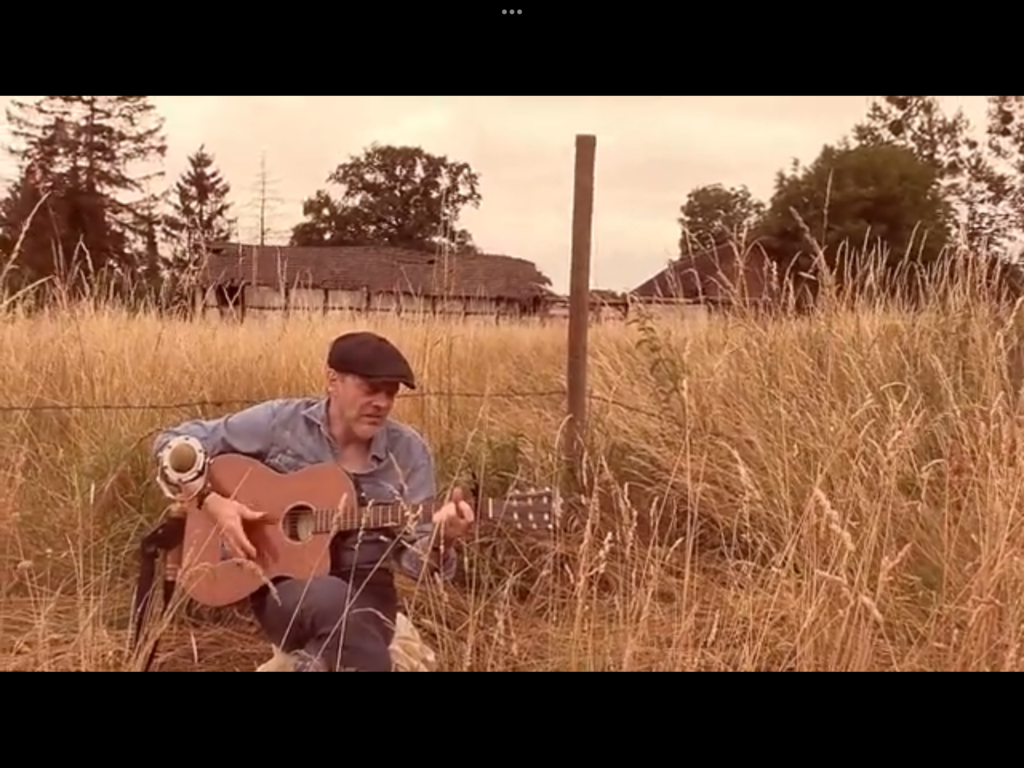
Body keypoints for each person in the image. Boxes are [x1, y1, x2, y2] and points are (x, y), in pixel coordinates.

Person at [151, 331, 474, 672]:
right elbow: (170, 443)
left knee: (358, 637)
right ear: (332, 380)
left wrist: (442, 539)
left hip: (369, 591)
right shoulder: (281, 423)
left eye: (390, 393)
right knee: (330, 596)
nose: (382, 403)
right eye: (370, 389)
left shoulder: (409, 452)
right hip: (285, 591)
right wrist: (210, 500)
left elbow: (416, 565)